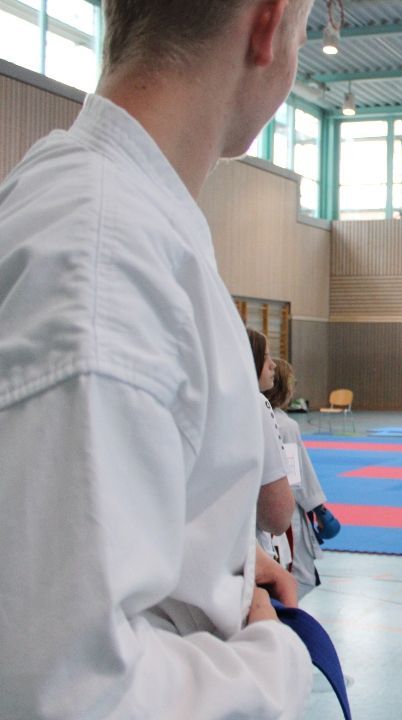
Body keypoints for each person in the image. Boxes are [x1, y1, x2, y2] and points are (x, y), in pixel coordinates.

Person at [0, 1, 316, 715]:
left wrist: (208, 560)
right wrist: (274, 665)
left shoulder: (97, 211)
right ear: (268, 27)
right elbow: (66, 691)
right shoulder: (105, 258)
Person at [265, 358, 333, 599]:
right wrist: (319, 509)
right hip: (284, 511)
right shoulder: (285, 425)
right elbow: (296, 477)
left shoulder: (254, 415)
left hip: (262, 511)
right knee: (296, 575)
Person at [248, 329, 301, 556]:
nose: (273, 365)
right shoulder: (256, 404)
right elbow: (277, 516)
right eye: (266, 357)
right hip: (246, 548)